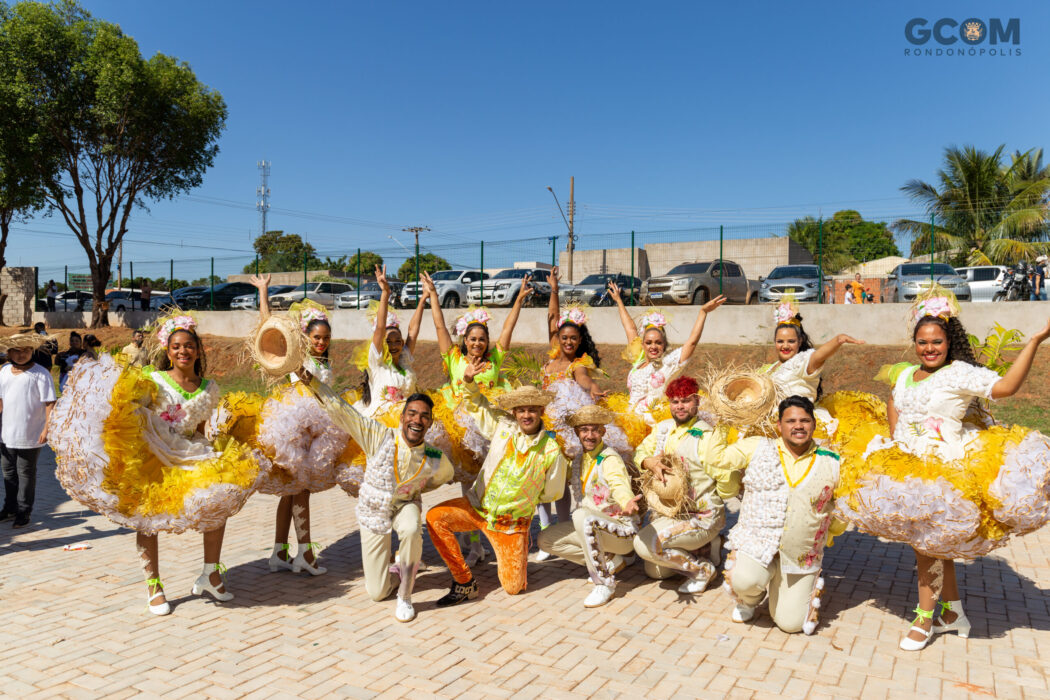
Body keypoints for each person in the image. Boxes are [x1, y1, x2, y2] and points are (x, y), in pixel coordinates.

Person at [834, 286, 1050, 650]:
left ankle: (925, 619)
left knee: (926, 549)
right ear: (915, 343)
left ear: (949, 342)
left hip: (943, 472)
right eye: (922, 342)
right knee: (930, 544)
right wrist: (894, 440)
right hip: (904, 469)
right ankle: (951, 614)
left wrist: (1035, 340)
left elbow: (1007, 387)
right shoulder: (905, 374)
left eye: (936, 341)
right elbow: (893, 400)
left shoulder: (959, 374)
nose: (929, 348)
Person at [48, 311, 259, 616]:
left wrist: (214, 449)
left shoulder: (210, 387)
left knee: (219, 499)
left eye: (188, 346)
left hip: (189, 451)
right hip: (153, 455)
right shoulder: (153, 379)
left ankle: (210, 575)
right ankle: (154, 584)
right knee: (147, 516)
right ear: (167, 350)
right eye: (176, 347)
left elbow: (199, 428)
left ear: (197, 350)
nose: (183, 351)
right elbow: (128, 412)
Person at [425, 356, 568, 605]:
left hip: (509, 524)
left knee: (513, 589)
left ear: (540, 412)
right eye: (521, 409)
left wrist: (521, 504)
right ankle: (464, 581)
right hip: (477, 508)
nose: (526, 415)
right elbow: (477, 405)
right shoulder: (502, 426)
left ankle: (520, 545)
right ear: (514, 412)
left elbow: (552, 492)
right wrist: (468, 381)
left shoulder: (552, 450)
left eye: (532, 409)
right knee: (435, 518)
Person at [420, 270, 532, 566]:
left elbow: (508, 326)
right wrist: (433, 294)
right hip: (462, 428)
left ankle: (497, 536)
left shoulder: (494, 359)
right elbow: (439, 326)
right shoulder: (454, 359)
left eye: (482, 339)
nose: (478, 344)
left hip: (492, 425)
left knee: (494, 486)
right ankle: (474, 545)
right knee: (468, 486)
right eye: (472, 339)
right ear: (465, 340)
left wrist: (518, 299)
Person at [314, 387, 453, 622]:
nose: (417, 420)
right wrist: (311, 381)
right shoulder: (380, 436)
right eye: (412, 413)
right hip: (375, 509)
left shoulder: (434, 456)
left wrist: (415, 489)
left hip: (404, 505)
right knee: (377, 593)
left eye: (424, 416)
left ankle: (405, 595)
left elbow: (443, 476)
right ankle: (401, 569)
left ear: (430, 423)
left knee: (411, 528)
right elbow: (345, 413)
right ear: (402, 418)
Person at [722, 396, 846, 635]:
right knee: (745, 579)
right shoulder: (759, 448)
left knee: (791, 625)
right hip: (758, 543)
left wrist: (824, 535)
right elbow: (717, 461)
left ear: (814, 425)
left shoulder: (832, 462)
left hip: (801, 554)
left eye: (805, 420)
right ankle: (748, 599)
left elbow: (842, 508)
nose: (798, 426)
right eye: (791, 421)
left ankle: (782, 590)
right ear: (779, 425)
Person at [249, 274, 345, 578]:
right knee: (300, 489)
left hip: (315, 432)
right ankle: (305, 554)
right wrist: (263, 293)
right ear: (306, 338)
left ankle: (279, 552)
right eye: (316, 337)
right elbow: (270, 332)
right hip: (294, 432)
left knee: (291, 493)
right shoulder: (297, 358)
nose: (321, 342)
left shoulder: (325, 363)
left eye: (325, 338)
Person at [538, 267, 630, 552]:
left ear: (579, 341)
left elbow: (585, 379)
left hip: (565, 430)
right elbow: (552, 319)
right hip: (544, 425)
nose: (567, 342)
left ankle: (564, 530)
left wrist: (593, 389)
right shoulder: (552, 357)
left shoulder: (579, 363)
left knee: (562, 482)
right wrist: (554, 289)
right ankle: (544, 534)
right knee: (542, 482)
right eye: (564, 338)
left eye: (573, 339)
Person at [631, 375, 748, 594]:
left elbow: (727, 484)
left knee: (643, 544)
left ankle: (702, 569)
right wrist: (649, 462)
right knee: (656, 572)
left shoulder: (707, 436)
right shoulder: (662, 429)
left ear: (697, 402)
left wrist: (730, 483)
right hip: (669, 514)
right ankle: (706, 547)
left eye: (686, 400)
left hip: (700, 517)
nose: (680, 406)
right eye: (675, 401)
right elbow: (640, 453)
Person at [536, 404, 642, 607]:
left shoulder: (610, 459)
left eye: (595, 430)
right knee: (546, 540)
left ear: (603, 431)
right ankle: (612, 559)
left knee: (579, 515)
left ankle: (604, 582)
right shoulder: (579, 459)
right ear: (577, 433)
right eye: (584, 430)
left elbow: (619, 483)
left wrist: (627, 500)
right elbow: (558, 477)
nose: (590, 435)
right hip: (592, 526)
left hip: (620, 530)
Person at [604, 281, 726, 444]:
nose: (653, 346)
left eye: (658, 343)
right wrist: (619, 300)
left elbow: (691, 343)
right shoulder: (638, 361)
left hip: (653, 424)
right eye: (649, 342)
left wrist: (703, 312)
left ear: (664, 344)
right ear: (643, 344)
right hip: (630, 420)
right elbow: (631, 330)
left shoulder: (668, 364)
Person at [762, 297, 863, 440]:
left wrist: (838, 340)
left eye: (791, 341)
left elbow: (819, 356)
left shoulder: (802, 361)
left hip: (799, 428)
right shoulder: (771, 369)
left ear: (800, 341)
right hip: (773, 426)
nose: (785, 346)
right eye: (780, 341)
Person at [351, 265, 426, 425]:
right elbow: (380, 328)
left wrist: (424, 298)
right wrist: (385, 293)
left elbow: (413, 330)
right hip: (380, 425)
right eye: (388, 341)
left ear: (402, 343)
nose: (393, 345)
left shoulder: (405, 361)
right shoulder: (377, 364)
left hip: (405, 424)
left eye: (397, 341)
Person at [0, 332, 57, 528]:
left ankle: (24, 510)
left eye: (26, 350)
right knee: (8, 472)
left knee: (25, 472)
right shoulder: (4, 371)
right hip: (6, 433)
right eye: (17, 350)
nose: (22, 354)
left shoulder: (41, 373)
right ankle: (9, 508)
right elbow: (1, 400)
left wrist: (47, 428)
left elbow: (50, 403)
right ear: (9, 352)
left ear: (32, 351)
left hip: (31, 432)